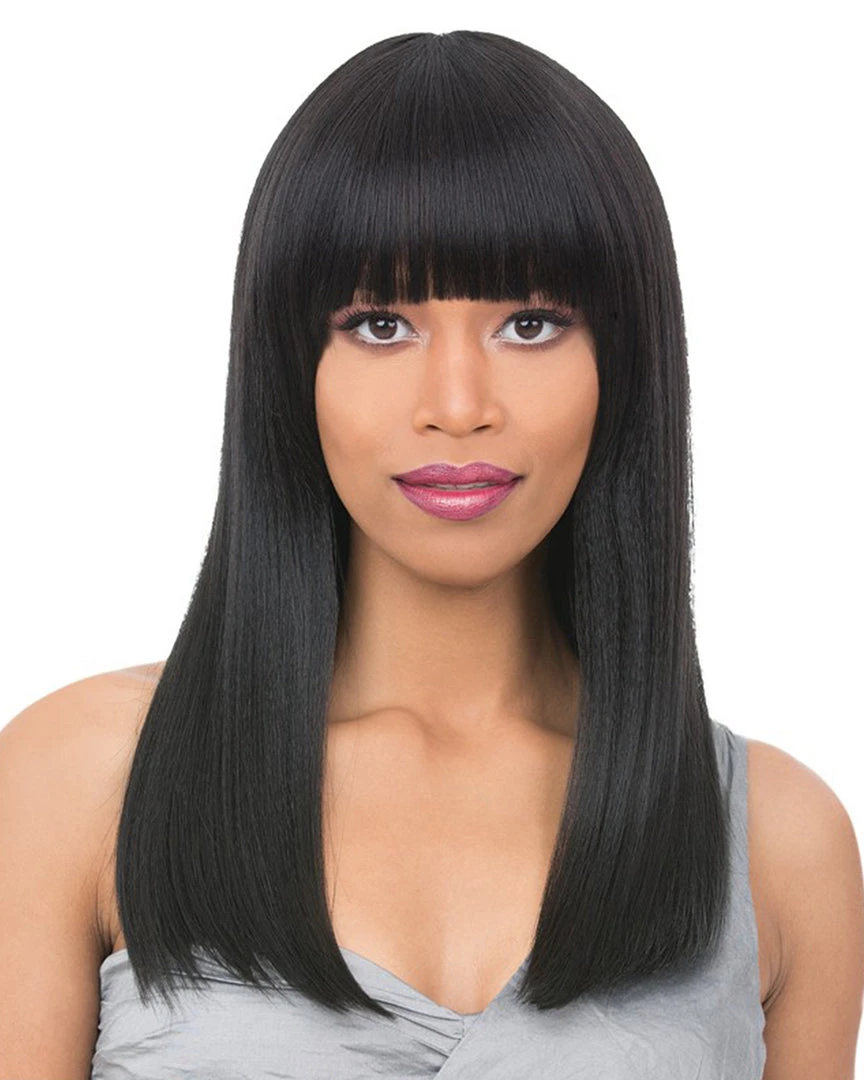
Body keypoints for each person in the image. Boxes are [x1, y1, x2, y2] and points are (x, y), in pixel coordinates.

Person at [1, 29, 862, 1080]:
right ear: (289, 365)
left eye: (531, 324)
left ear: (625, 362)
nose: (458, 406)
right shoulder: (82, 778)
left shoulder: (777, 842)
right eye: (380, 325)